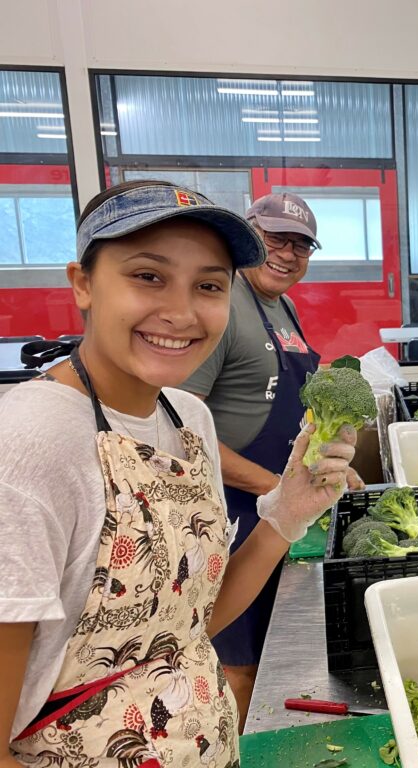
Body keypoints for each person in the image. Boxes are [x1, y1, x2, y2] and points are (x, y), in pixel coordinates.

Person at [0, 181, 355, 767]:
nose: (183, 312)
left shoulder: (186, 417)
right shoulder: (28, 447)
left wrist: (286, 514)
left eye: (209, 285)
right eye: (148, 276)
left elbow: (187, 625)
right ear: (83, 283)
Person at [181, 192, 359, 727]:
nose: (287, 253)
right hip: (231, 512)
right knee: (240, 664)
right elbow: (184, 432)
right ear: (248, 233)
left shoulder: (283, 305)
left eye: (301, 244)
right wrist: (280, 491)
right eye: (275, 237)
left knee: (264, 645)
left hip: (274, 509)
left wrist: (322, 465)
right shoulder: (221, 305)